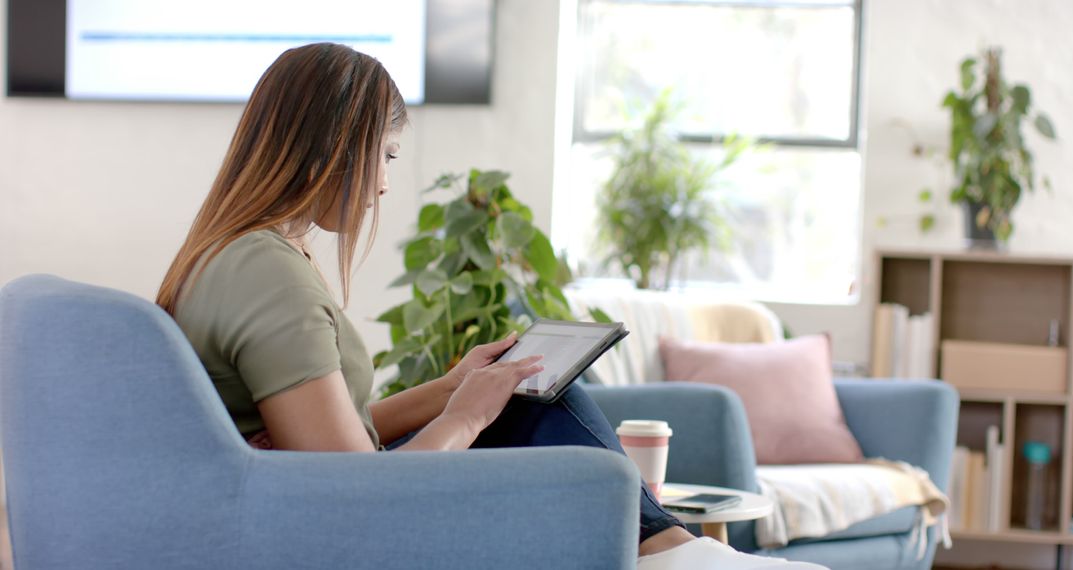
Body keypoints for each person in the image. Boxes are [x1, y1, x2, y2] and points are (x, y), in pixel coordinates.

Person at [157, 43, 825, 570]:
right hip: (336, 527)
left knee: (526, 389)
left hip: (298, 507)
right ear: (333, 145)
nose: (384, 184)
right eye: (383, 156)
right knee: (545, 401)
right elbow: (352, 495)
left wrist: (449, 392)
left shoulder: (236, 254)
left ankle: (676, 553)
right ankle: (681, 554)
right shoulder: (265, 272)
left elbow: (335, 431)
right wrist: (466, 417)